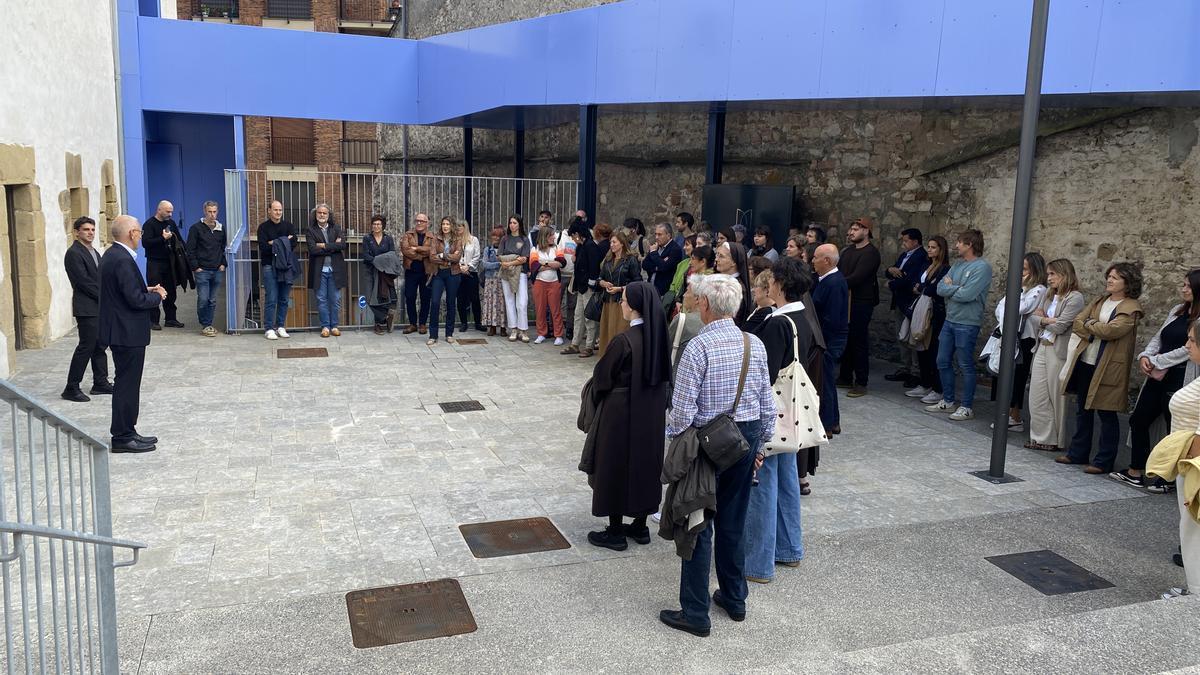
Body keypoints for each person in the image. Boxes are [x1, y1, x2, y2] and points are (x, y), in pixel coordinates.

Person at [660, 274, 776, 637]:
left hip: (707, 444)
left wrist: (677, 445)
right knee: (733, 520)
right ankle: (734, 598)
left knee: (697, 522)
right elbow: (766, 403)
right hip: (744, 438)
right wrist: (759, 447)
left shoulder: (698, 347)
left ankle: (695, 613)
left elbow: (681, 413)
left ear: (706, 305)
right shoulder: (753, 343)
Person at [584, 281, 671, 550]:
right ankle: (641, 525)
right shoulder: (659, 338)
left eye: (623, 300)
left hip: (620, 413)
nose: (621, 304)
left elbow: (602, 378)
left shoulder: (624, 341)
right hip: (652, 414)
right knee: (646, 464)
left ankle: (615, 531)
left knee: (614, 464)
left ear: (633, 306)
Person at [745, 257, 815, 584]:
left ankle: (758, 564)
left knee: (762, 484)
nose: (767, 284)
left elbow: (764, 377)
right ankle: (789, 548)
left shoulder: (777, 323)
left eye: (772, 280)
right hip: (792, 414)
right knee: (787, 479)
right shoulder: (803, 315)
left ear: (780, 285)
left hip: (773, 413)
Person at [1114, 269, 1200, 487]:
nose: (1183, 289)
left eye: (1188, 286)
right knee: (1139, 419)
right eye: (1183, 285)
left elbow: (1187, 349)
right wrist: (1146, 355)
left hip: (1180, 377)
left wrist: (1158, 361)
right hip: (1158, 375)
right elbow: (1158, 337)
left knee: (1174, 427)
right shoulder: (1177, 311)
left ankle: (1167, 477)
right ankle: (1136, 470)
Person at [1056, 262, 1144, 473]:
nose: (1109, 280)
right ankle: (1078, 453)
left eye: (1115, 277)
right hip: (1087, 360)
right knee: (1082, 410)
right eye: (1109, 276)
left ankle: (1103, 461)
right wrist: (1094, 327)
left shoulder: (1131, 308)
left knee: (1106, 413)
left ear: (1128, 282)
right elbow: (1078, 321)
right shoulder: (1100, 301)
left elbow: (1112, 331)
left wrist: (1090, 326)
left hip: (1109, 367)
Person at [99, 215, 166, 453]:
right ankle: (123, 436)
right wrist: (157, 296)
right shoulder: (122, 260)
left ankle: (129, 430)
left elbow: (124, 291)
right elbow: (135, 300)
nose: (140, 236)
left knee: (126, 384)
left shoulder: (112, 255)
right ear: (132, 233)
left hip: (122, 331)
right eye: (138, 232)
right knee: (127, 385)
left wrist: (146, 288)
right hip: (126, 333)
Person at [1152, 318, 1200, 598]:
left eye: (1192, 340)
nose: (1186, 344)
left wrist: (1192, 473)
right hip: (1188, 462)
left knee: (1193, 528)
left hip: (1194, 464)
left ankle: (1196, 593)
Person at [926, 229, 992, 421]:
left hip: (967, 322)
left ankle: (966, 406)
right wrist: (957, 288)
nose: (956, 245)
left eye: (960, 242)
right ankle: (948, 400)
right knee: (942, 360)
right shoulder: (957, 265)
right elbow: (940, 288)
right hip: (950, 319)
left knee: (965, 364)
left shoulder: (982, 267)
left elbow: (968, 295)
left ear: (970, 244)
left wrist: (951, 287)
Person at [1024, 258, 1085, 450]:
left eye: (1053, 274)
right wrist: (1047, 320)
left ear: (1064, 274)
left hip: (1058, 350)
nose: (1049, 278)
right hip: (1042, 345)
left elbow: (1060, 326)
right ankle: (1041, 437)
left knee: (1056, 396)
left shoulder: (1075, 298)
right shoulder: (1049, 295)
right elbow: (1033, 317)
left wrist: (1044, 319)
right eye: (1048, 274)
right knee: (1037, 394)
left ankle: (1055, 440)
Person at [993, 252, 1048, 430]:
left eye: (1024, 269)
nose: (1021, 273)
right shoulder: (1019, 288)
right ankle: (1006, 411)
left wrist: (1020, 292)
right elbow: (1000, 308)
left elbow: (1021, 308)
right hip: (1011, 334)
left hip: (1026, 337)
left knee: (1018, 375)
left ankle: (1014, 415)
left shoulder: (1038, 289)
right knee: (1007, 374)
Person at [62, 216, 111, 402]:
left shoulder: (92, 251)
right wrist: (107, 297)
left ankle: (100, 383)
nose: (90, 233)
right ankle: (71, 387)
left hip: (98, 307)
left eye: (92, 229)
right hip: (86, 308)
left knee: (100, 345)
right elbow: (84, 282)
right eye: (85, 229)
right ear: (76, 232)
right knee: (86, 347)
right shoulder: (74, 253)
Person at [838, 217, 882, 398]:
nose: (852, 232)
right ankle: (845, 376)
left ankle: (861, 382)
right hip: (846, 299)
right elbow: (839, 271)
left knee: (859, 341)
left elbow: (858, 277)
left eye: (856, 229)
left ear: (866, 231)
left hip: (861, 301)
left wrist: (836, 283)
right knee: (847, 339)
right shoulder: (848, 251)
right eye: (852, 229)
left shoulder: (871, 253)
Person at [905, 236, 952, 403]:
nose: (930, 250)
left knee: (932, 349)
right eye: (929, 247)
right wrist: (920, 287)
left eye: (933, 247)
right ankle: (925, 383)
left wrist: (923, 288)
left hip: (934, 312)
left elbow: (936, 288)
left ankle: (937, 388)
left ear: (941, 250)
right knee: (921, 347)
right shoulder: (926, 265)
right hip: (921, 308)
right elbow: (915, 282)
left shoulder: (945, 268)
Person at [811, 243, 848, 434]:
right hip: (826, 338)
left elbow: (831, 318)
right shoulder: (824, 280)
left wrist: (819, 342)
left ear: (826, 260)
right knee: (826, 381)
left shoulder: (833, 283)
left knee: (825, 381)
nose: (813, 261)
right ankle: (832, 421)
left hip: (829, 340)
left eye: (816, 257)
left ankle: (828, 423)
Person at [883, 228, 928, 387]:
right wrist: (890, 271)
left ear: (915, 241)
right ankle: (905, 367)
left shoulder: (921, 256)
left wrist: (891, 283)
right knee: (900, 335)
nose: (903, 244)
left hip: (910, 301)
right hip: (900, 301)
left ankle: (915, 372)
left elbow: (909, 278)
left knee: (912, 337)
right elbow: (894, 271)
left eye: (906, 241)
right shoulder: (905, 255)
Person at [142, 200, 190, 330]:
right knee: (156, 290)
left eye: (171, 211)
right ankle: (154, 320)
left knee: (171, 291)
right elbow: (146, 243)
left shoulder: (171, 223)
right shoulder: (149, 224)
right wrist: (162, 238)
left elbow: (179, 239)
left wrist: (187, 254)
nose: (170, 214)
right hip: (155, 262)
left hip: (170, 262)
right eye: (168, 211)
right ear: (159, 210)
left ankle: (171, 319)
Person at [597, 229, 642, 356]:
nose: (611, 245)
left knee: (620, 330)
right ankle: (608, 357)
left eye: (614, 242)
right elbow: (599, 278)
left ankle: (620, 357)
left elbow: (637, 282)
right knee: (608, 330)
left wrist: (620, 288)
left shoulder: (630, 260)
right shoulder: (608, 259)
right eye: (610, 242)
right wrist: (603, 283)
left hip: (622, 301)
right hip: (608, 302)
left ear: (622, 243)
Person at [185, 201, 226, 337]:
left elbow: (222, 247)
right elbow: (190, 249)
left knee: (212, 299)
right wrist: (196, 267)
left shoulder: (221, 229)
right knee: (203, 298)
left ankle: (208, 324)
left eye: (214, 212)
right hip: (202, 270)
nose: (212, 215)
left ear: (217, 211)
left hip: (217, 269)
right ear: (204, 211)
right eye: (209, 211)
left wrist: (222, 264)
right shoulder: (195, 228)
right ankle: (205, 323)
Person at [306, 204, 347, 338]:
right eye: (319, 213)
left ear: (329, 215)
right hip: (319, 271)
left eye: (324, 213)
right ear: (315, 214)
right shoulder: (310, 230)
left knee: (335, 299)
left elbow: (342, 245)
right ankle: (325, 326)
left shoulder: (336, 228)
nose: (322, 215)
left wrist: (323, 245)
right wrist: (332, 246)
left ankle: (334, 326)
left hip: (335, 270)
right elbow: (312, 249)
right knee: (321, 299)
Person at [258, 200, 297, 340]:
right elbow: (263, 247)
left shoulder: (288, 226)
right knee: (271, 298)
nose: (278, 212)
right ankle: (269, 328)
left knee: (284, 298)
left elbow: (294, 243)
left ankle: (280, 326)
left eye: (280, 210)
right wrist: (284, 241)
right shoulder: (263, 228)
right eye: (275, 210)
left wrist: (274, 242)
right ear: (269, 210)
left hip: (286, 266)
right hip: (269, 266)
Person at [425, 216, 464, 345]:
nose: (445, 226)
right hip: (439, 273)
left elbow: (457, 258)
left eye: (447, 224)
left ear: (452, 226)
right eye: (443, 224)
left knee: (450, 303)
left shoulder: (457, 239)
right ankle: (433, 335)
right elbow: (432, 257)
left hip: (453, 274)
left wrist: (442, 255)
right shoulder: (436, 238)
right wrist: (447, 258)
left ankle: (449, 333)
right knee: (435, 302)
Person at [564, 220, 599, 356]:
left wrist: (590, 283)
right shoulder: (581, 246)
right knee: (578, 316)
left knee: (589, 317)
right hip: (581, 287)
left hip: (588, 288)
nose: (573, 238)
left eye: (573, 235)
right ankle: (575, 344)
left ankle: (589, 346)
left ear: (578, 234)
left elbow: (594, 267)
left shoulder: (590, 246)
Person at [362, 215, 398, 334]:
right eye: (374, 224)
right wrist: (379, 261)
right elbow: (366, 256)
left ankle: (378, 324)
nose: (376, 226)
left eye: (378, 224)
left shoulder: (388, 239)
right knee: (369, 298)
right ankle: (386, 317)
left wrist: (378, 261)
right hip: (370, 271)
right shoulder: (367, 238)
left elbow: (392, 254)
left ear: (383, 226)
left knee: (381, 298)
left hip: (384, 273)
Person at [531, 226, 567, 345]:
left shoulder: (557, 248)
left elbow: (561, 263)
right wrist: (551, 264)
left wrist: (544, 263)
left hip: (554, 282)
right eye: (551, 235)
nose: (554, 237)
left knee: (555, 309)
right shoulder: (534, 249)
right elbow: (535, 266)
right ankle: (541, 334)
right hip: (539, 283)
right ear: (545, 236)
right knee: (540, 309)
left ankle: (558, 335)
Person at [499, 214, 532, 343]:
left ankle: (523, 330)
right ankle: (513, 329)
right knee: (509, 300)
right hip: (506, 273)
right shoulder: (504, 239)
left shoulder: (524, 239)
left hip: (521, 272)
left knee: (522, 302)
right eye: (510, 223)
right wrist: (513, 259)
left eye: (515, 223)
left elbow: (524, 258)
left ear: (520, 224)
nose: (512, 225)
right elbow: (499, 256)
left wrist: (509, 262)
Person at [400, 212, 432, 334]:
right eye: (417, 220)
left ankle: (422, 324)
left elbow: (432, 251)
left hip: (426, 271)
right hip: (411, 271)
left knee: (425, 298)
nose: (419, 223)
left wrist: (417, 249)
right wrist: (421, 255)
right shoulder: (408, 235)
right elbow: (405, 250)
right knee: (410, 296)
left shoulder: (432, 236)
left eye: (422, 221)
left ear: (427, 223)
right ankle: (413, 324)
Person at [715, 242, 753, 327]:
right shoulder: (720, 280)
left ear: (734, 262)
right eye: (717, 255)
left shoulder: (737, 288)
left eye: (721, 256)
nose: (716, 259)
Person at [642, 223, 684, 298]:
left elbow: (664, 267)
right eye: (656, 234)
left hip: (663, 292)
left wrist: (654, 253)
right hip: (650, 289)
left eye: (660, 234)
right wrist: (657, 267)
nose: (656, 237)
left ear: (668, 235)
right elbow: (645, 265)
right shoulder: (656, 247)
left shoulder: (675, 249)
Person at [480, 226, 508, 337]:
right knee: (490, 303)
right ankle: (491, 326)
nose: (495, 238)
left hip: (502, 280)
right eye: (494, 235)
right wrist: (499, 264)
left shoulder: (506, 250)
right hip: (490, 280)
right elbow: (485, 264)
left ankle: (502, 327)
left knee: (502, 304)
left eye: (498, 236)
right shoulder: (488, 249)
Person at [456, 220, 483, 332]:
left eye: (460, 227)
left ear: (465, 227)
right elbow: (453, 255)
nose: (458, 229)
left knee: (475, 298)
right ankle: (463, 323)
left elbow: (477, 255)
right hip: (458, 272)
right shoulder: (455, 241)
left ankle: (478, 322)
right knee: (461, 299)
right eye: (457, 227)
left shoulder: (473, 240)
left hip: (471, 272)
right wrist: (460, 267)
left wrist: (468, 266)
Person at [557, 217, 579, 341]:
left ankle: (570, 328)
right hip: (561, 274)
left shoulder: (579, 237)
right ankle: (556, 328)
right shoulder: (560, 235)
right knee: (557, 302)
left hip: (574, 275)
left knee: (572, 304)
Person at [743, 269, 776, 334]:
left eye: (756, 286)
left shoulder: (766, 312)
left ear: (767, 290)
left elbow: (744, 333)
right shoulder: (759, 308)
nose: (753, 290)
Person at [667, 235, 697, 299]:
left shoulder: (699, 265)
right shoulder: (682, 264)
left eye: (687, 245)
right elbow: (673, 284)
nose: (684, 247)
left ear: (695, 246)